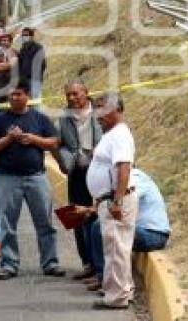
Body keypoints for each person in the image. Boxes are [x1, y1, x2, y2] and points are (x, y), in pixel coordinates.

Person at [0, 79, 65, 280]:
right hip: (8, 178)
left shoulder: (39, 119)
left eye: (18, 94)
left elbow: (54, 141)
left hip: (36, 177)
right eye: (11, 94)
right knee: (7, 224)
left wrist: (34, 139)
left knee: (45, 223)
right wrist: (9, 139)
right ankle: (9, 264)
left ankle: (50, 263)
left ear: (27, 96)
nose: (13, 97)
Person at [86, 92, 137, 310]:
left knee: (117, 249)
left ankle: (117, 298)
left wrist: (117, 201)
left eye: (101, 109)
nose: (97, 114)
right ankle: (121, 290)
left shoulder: (119, 135)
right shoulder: (111, 134)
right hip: (109, 199)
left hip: (118, 200)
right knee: (115, 247)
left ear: (116, 110)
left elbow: (123, 167)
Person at [80, 168, 170, 291]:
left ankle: (104, 279)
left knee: (99, 226)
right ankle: (96, 270)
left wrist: (98, 209)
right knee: (91, 221)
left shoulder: (136, 178)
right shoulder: (122, 181)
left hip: (152, 234)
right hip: (138, 230)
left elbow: (125, 204)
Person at [56, 79, 102, 280]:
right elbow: (57, 143)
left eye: (76, 94)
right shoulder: (63, 117)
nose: (72, 98)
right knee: (76, 216)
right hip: (77, 172)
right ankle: (87, 263)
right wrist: (64, 160)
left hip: (99, 170)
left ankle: (99, 264)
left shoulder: (99, 112)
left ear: (86, 92)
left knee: (96, 216)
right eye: (69, 95)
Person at [17, 27, 46, 100]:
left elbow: (42, 65)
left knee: (36, 103)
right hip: (24, 83)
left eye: (26, 35)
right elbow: (20, 65)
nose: (24, 37)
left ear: (31, 36)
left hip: (35, 81)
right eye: (23, 35)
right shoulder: (22, 49)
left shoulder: (38, 47)